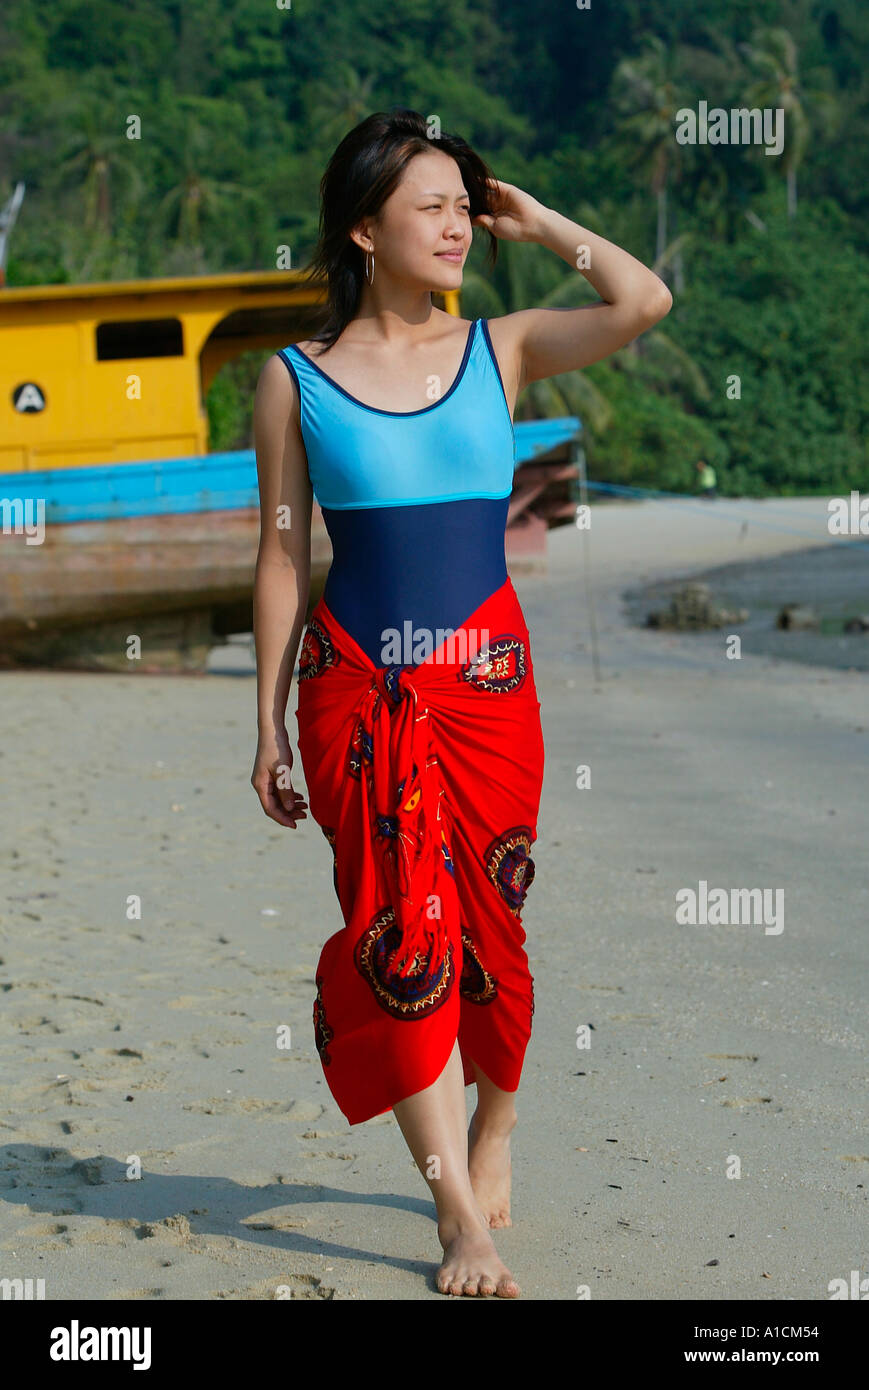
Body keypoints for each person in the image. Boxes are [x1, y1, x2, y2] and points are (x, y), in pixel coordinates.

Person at [250, 107, 671, 1299]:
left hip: (487, 690)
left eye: (461, 205)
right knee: (401, 942)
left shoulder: (506, 345)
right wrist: (265, 722)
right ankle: (456, 1219)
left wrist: (539, 225)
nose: (454, 224)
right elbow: (282, 558)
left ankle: (497, 1118)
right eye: (428, 205)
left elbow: (642, 301)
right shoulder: (295, 384)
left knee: (493, 926)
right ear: (361, 229)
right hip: (355, 695)